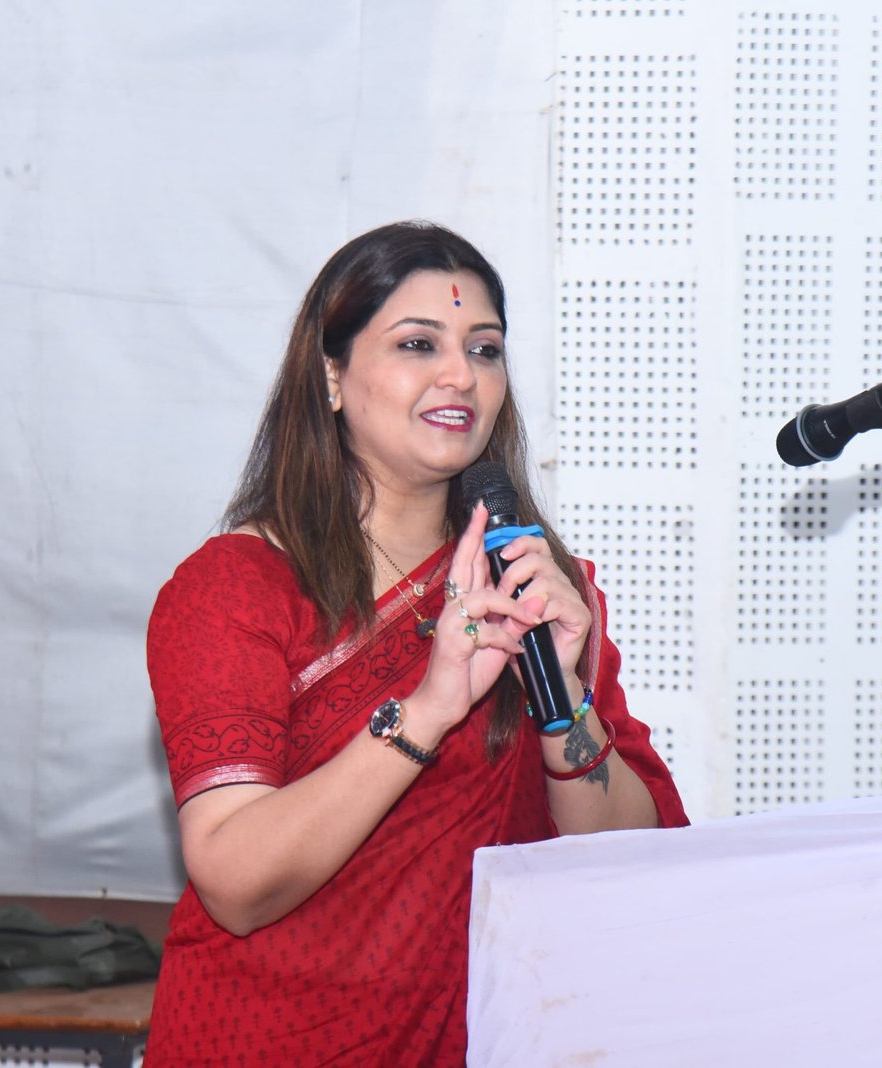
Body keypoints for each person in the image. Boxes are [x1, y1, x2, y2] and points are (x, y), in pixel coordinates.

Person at [145, 220, 688, 1064]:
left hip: (488, 1038)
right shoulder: (236, 588)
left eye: (485, 349)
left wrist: (566, 702)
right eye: (417, 343)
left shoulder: (540, 587)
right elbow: (236, 882)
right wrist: (429, 708)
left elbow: (625, 863)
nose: (459, 375)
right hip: (267, 1039)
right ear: (331, 375)